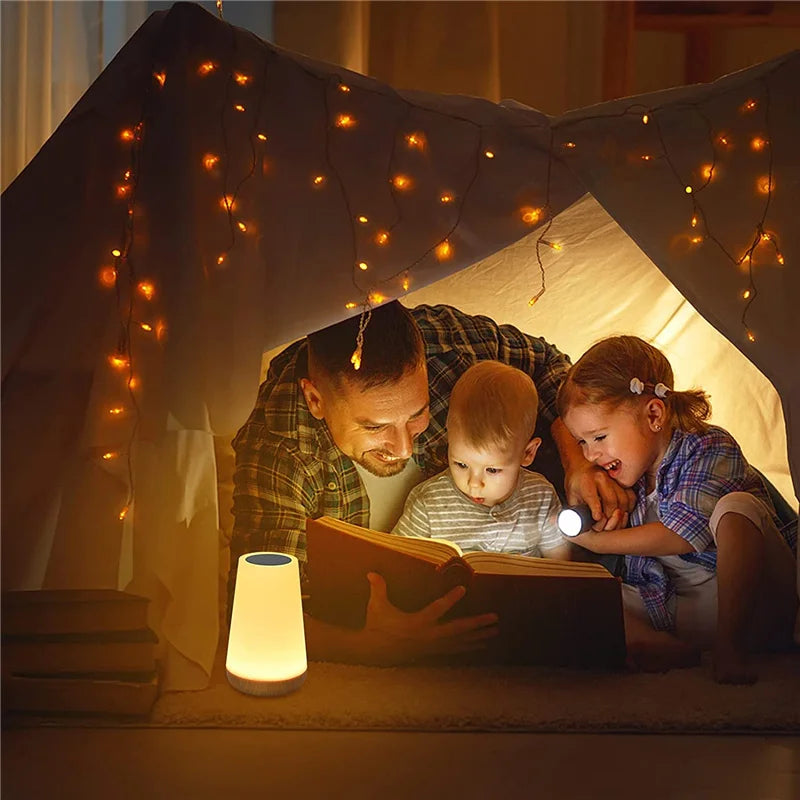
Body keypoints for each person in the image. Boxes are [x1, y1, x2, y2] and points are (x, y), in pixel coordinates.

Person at [231, 302, 631, 664]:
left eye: (417, 414)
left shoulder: (452, 349)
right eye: (376, 427)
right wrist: (368, 647)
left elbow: (555, 369)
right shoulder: (278, 443)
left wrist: (576, 458)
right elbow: (258, 608)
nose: (404, 446)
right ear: (316, 400)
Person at [556, 334, 798, 683]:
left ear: (654, 414)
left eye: (599, 438)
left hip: (754, 603)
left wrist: (598, 543)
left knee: (738, 507)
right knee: (588, 597)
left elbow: (681, 535)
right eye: (581, 442)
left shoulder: (709, 446)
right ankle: (661, 645)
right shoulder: (625, 474)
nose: (591, 454)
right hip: (674, 606)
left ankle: (731, 647)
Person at [393, 360, 571, 561]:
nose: (473, 484)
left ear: (527, 453)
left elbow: (559, 563)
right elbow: (397, 559)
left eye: (492, 470)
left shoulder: (540, 496)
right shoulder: (429, 503)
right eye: (461, 465)